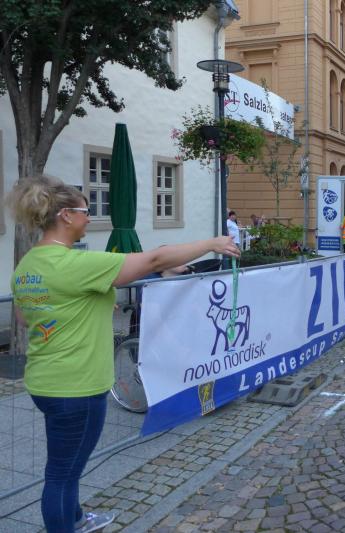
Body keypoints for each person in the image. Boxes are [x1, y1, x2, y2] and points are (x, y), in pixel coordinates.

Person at [8, 176, 240, 533]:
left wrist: (83, 305)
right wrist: (212, 243)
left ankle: (76, 518)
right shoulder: (74, 264)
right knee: (62, 474)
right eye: (86, 211)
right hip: (76, 386)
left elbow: (26, 318)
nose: (90, 218)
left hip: (45, 380)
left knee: (67, 466)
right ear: (66, 216)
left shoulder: (27, 265)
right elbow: (154, 258)